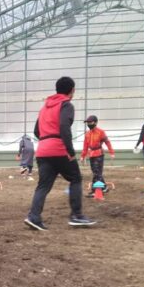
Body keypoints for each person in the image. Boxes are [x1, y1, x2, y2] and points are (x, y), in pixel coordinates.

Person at [24, 77, 95, 231]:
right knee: (76, 178)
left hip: (43, 150)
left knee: (43, 185)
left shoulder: (44, 108)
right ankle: (76, 215)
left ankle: (34, 217)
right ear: (72, 90)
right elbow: (64, 126)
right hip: (59, 149)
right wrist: (70, 150)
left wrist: (46, 140)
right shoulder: (66, 104)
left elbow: (36, 131)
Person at [80, 115, 115, 195]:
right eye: (87, 122)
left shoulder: (101, 132)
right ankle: (104, 188)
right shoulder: (87, 134)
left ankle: (95, 191)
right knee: (96, 173)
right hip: (91, 155)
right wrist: (82, 156)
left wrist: (111, 152)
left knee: (97, 173)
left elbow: (107, 142)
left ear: (95, 122)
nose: (88, 124)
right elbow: (85, 146)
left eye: (90, 122)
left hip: (99, 154)